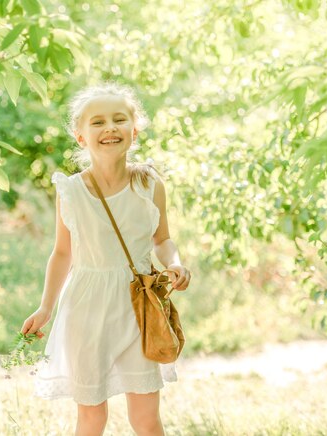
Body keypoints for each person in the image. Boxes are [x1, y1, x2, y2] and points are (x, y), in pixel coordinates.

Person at [20, 82, 191, 436]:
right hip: (86, 310)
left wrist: (173, 263)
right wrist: (45, 309)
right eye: (97, 122)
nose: (109, 128)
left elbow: (162, 239)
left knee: (145, 419)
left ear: (134, 129)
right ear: (81, 136)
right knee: (92, 418)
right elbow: (63, 253)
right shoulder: (71, 191)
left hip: (138, 308)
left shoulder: (149, 184)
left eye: (119, 120)